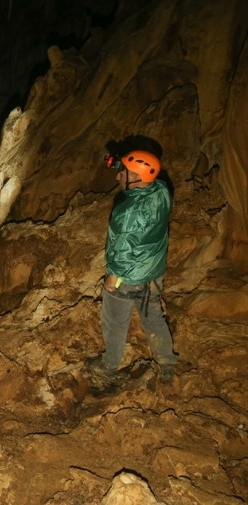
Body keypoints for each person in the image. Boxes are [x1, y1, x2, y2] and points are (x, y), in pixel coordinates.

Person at [88, 135, 178, 383]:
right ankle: (167, 363)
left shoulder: (126, 211)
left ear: (137, 177)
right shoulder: (162, 191)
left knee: (114, 321)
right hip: (154, 273)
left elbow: (123, 248)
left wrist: (113, 276)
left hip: (128, 279)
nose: (119, 176)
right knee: (153, 317)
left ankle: (109, 367)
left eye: (124, 173)